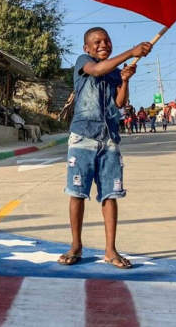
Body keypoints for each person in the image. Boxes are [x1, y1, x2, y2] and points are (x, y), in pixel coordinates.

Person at [58, 26, 151, 270]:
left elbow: (120, 103)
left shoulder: (114, 71)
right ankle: (76, 245)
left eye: (107, 41)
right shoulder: (84, 62)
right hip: (83, 138)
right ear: (86, 48)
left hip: (109, 139)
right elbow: (97, 70)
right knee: (77, 192)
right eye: (97, 42)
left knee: (110, 194)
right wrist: (132, 51)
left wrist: (124, 80)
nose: (103, 45)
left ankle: (110, 249)